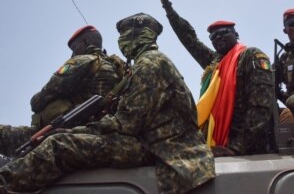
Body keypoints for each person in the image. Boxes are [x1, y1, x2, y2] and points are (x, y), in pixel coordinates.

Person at [0, 13, 215, 193]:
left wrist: (78, 132)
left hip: (159, 147)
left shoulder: (149, 64)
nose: (121, 42)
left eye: (124, 36)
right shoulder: (139, 65)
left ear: (136, 36)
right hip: (155, 141)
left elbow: (127, 123)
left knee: (59, 146)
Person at [158, 0, 275, 156]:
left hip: (245, 148)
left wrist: (237, 147)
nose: (218, 38)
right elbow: (190, 40)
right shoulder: (215, 62)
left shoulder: (250, 56)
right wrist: (168, 8)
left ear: (236, 34)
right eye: (213, 37)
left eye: (223, 33)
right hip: (219, 144)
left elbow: (260, 105)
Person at [0, 25, 123, 157]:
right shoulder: (118, 67)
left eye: (75, 47)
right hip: (96, 130)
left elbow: (39, 100)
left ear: (85, 42)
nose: (73, 53)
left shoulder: (83, 61)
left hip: (65, 130)